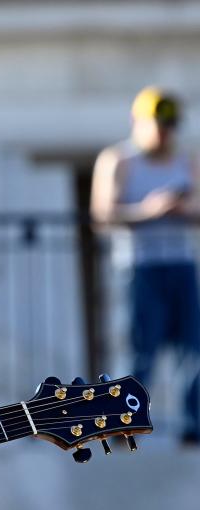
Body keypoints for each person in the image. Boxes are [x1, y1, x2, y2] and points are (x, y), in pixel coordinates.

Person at [91, 86, 200, 446]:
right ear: (138, 122)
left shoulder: (186, 160)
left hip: (181, 263)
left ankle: (193, 426)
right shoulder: (118, 160)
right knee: (140, 350)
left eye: (170, 125)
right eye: (159, 124)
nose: (165, 132)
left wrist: (180, 210)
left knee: (193, 349)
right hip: (139, 266)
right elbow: (101, 215)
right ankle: (124, 425)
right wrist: (149, 211)